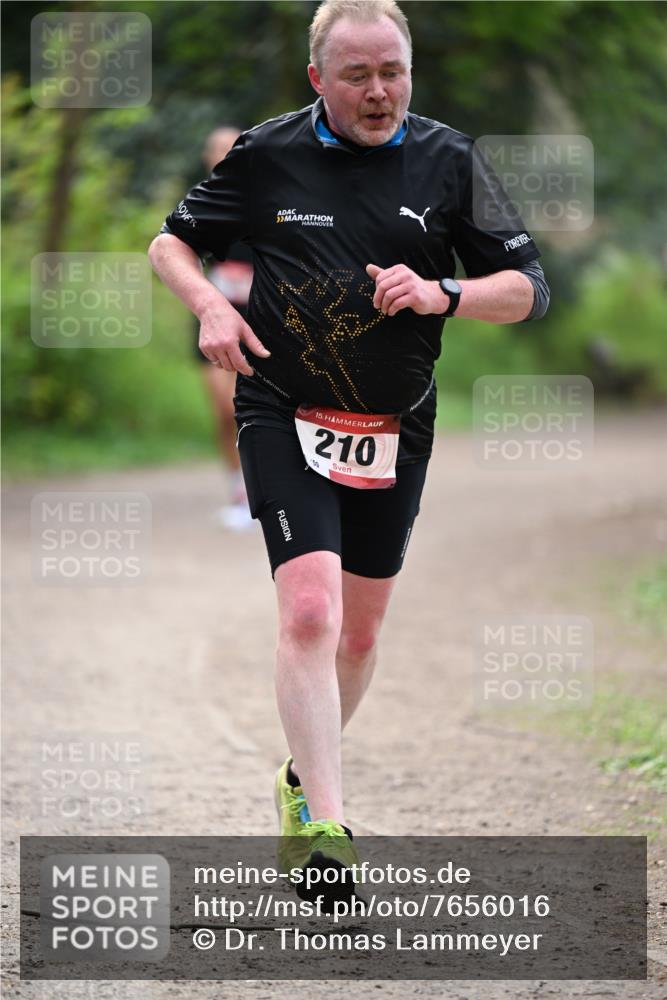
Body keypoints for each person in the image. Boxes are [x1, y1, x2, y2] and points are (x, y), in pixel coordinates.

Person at [149, 0, 549, 905]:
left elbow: (527, 290)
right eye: (358, 74)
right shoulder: (267, 153)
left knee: (359, 634)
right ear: (317, 79)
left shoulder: (452, 161)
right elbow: (169, 243)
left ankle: (297, 783)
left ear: (410, 69)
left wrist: (442, 290)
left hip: (393, 424)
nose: (379, 92)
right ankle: (327, 832)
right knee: (309, 612)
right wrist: (211, 304)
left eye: (392, 72)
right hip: (281, 406)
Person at [194, 127, 255, 531]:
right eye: (217, 148)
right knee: (223, 409)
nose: (224, 153)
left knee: (251, 409)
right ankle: (238, 489)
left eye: (232, 146)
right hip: (210, 318)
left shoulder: (268, 198)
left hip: (260, 321)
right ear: (207, 157)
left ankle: (260, 491)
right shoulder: (195, 203)